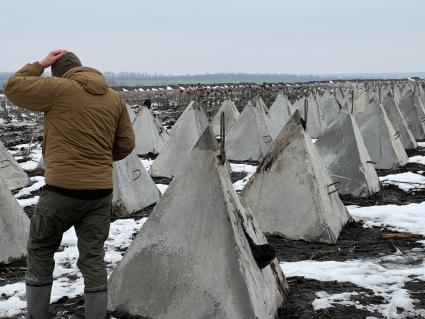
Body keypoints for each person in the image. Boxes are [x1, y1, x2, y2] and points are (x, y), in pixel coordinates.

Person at [4, 50, 135, 319]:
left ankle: (37, 315)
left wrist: (40, 64)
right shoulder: (114, 98)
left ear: (58, 72)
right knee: (93, 256)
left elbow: (13, 87)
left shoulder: (57, 88)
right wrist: (96, 158)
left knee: (40, 248)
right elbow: (126, 144)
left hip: (61, 191)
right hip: (100, 193)